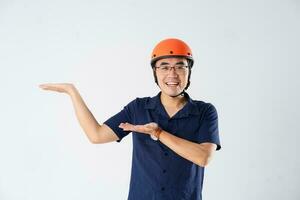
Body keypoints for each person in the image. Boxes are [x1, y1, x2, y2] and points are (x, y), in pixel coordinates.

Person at [39, 38, 221, 200]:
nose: (172, 74)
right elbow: (96, 135)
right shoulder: (138, 108)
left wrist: (158, 132)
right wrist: (72, 92)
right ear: (155, 73)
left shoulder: (205, 112)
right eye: (164, 67)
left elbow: (203, 157)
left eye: (180, 66)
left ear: (189, 72)